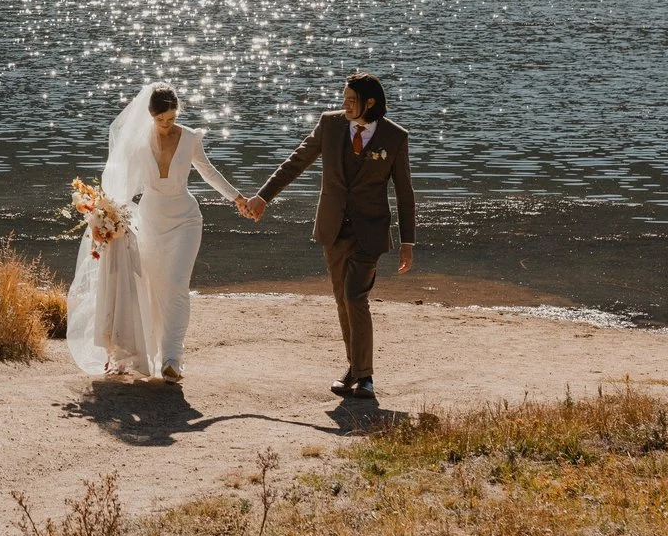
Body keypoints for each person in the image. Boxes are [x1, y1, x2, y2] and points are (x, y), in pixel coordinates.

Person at [237, 73, 415, 401]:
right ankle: (354, 367)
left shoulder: (395, 137)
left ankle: (366, 378)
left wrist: (408, 242)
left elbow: (404, 193)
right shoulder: (330, 125)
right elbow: (296, 162)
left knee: (354, 296)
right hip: (333, 228)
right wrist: (263, 196)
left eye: (351, 100)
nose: (344, 105)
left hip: (370, 232)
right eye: (344, 99)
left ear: (370, 103)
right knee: (341, 300)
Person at [68, 83, 243, 383]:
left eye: (172, 118)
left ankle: (173, 359)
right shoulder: (138, 144)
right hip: (149, 222)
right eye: (161, 119)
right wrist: (106, 214)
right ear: (151, 115)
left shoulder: (189, 138)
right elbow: (129, 187)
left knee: (175, 284)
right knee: (149, 287)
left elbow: (209, 172)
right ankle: (146, 353)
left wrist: (237, 198)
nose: (166, 124)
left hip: (185, 221)